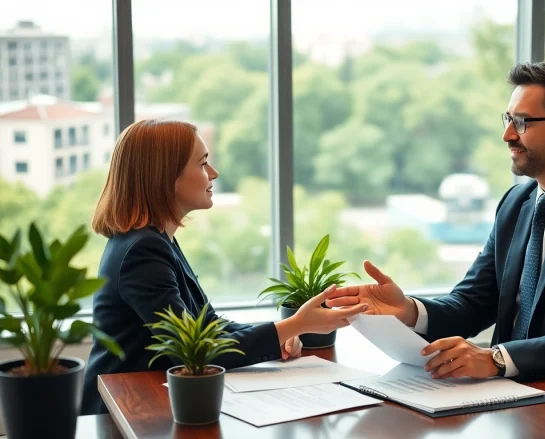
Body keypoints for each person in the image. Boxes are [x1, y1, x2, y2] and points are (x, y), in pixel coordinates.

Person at [327, 62, 545, 415]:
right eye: (508, 119)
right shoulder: (517, 203)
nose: (508, 135)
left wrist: (495, 359)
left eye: (523, 123)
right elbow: (473, 302)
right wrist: (410, 311)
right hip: (512, 398)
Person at [82, 119, 367, 415]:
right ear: (167, 177)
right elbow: (197, 352)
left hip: (149, 405)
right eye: (203, 164)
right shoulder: (143, 250)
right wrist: (296, 324)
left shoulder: (155, 240)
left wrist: (280, 333)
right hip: (121, 417)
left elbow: (208, 328)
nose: (214, 173)